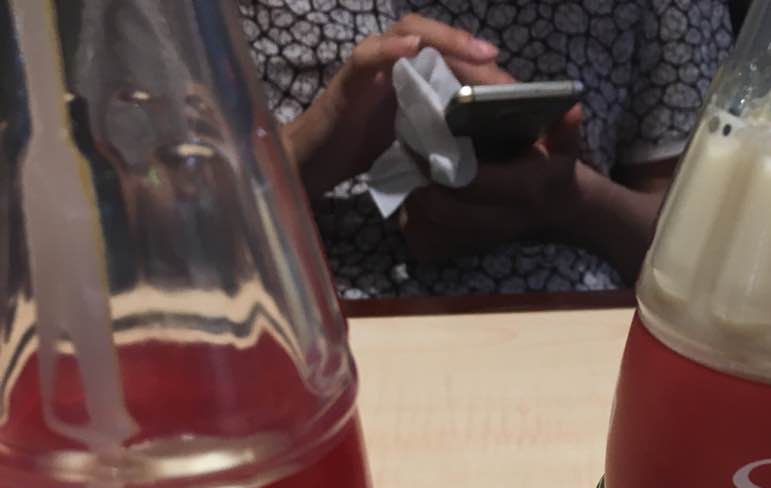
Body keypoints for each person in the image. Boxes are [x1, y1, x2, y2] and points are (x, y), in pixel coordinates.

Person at [239, 3, 734, 298]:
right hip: (304, 340)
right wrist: (305, 152)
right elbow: (188, 221)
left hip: (567, 335)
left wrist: (574, 204)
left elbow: (715, 260)